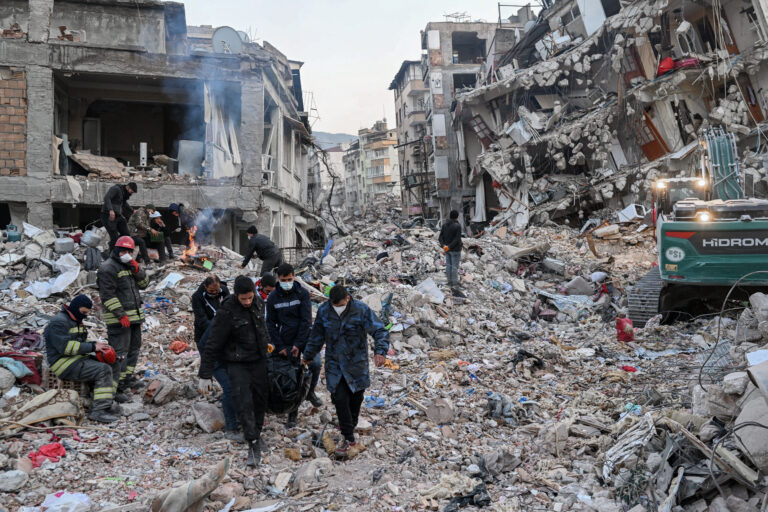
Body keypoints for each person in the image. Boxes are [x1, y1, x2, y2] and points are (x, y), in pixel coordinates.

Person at [303, 285, 389, 457]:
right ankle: (348, 437)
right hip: (335, 364)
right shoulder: (324, 311)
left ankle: (350, 423)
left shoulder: (361, 310)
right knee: (340, 398)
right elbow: (317, 335)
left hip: (356, 363)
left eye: (341, 305)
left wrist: (380, 351)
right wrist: (309, 355)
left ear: (348, 298)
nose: (338, 308)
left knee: (356, 398)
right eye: (335, 306)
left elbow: (379, 330)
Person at [198, 276, 270, 466]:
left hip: (258, 359)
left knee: (260, 400)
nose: (247, 302)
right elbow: (213, 343)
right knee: (243, 401)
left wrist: (268, 346)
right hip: (237, 362)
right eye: (243, 299)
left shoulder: (258, 303)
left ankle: (257, 433)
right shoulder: (227, 312)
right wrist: (205, 374)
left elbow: (262, 329)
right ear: (236, 295)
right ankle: (252, 442)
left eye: (250, 298)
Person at [44, 294, 119, 423]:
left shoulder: (76, 321)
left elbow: (80, 342)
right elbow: (65, 347)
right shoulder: (59, 322)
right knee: (103, 369)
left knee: (114, 363)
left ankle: (107, 401)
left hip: (76, 358)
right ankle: (99, 411)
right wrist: (92, 347)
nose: (84, 316)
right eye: (83, 312)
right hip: (64, 363)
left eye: (86, 313)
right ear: (75, 308)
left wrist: (99, 347)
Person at [266, 264, 322, 429]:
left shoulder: (302, 294)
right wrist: (280, 346)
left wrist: (298, 344)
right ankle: (293, 411)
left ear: (294, 277)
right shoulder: (273, 298)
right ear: (278, 279)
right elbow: (271, 324)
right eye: (283, 280)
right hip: (284, 340)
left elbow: (306, 321)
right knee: (292, 373)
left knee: (316, 364)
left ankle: (310, 392)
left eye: (289, 279)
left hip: (304, 337)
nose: (287, 283)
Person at [97, 236, 149, 401]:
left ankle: (126, 380)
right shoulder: (108, 268)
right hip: (119, 320)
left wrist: (136, 268)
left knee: (133, 350)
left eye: (129, 251)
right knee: (119, 354)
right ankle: (115, 390)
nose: (126, 254)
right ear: (116, 250)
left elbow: (144, 284)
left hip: (134, 318)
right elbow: (107, 295)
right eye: (123, 251)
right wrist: (120, 314)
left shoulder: (129, 265)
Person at [192, 276, 241, 442]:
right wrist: (205, 375)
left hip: (225, 350)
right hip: (210, 346)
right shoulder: (199, 298)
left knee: (237, 385)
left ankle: (237, 415)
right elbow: (207, 348)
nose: (214, 293)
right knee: (230, 388)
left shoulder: (229, 303)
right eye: (211, 291)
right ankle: (231, 427)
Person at [191, 275, 230, 346]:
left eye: (216, 290)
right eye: (211, 291)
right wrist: (217, 330)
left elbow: (229, 309)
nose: (214, 292)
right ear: (205, 287)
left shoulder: (224, 291)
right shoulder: (197, 297)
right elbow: (201, 319)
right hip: (204, 333)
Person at [101, 182, 137, 252]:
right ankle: (112, 254)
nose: (131, 194)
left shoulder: (123, 193)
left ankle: (122, 251)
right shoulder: (116, 189)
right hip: (107, 215)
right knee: (114, 237)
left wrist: (132, 210)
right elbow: (107, 198)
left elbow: (124, 203)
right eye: (131, 192)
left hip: (118, 215)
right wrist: (110, 210)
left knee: (126, 235)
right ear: (128, 187)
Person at [438, 210, 463, 292]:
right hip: (455, 249)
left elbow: (440, 237)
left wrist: (444, 246)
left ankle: (449, 282)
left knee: (448, 266)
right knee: (454, 267)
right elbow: (457, 239)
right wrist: (449, 246)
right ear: (457, 217)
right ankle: (454, 283)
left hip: (447, 249)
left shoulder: (444, 225)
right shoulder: (457, 226)